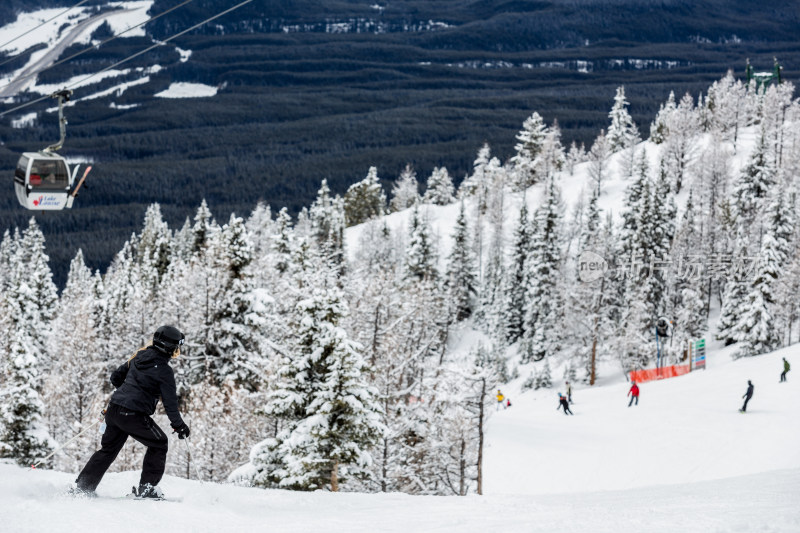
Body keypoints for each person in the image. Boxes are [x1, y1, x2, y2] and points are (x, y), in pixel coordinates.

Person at [73, 326, 190, 499]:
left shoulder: (138, 356)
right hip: (133, 415)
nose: (177, 351)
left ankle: (83, 488)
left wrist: (127, 393)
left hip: (114, 410)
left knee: (108, 450)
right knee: (159, 443)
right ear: (169, 347)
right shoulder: (164, 371)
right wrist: (179, 425)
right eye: (176, 347)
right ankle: (147, 489)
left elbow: (115, 378)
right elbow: (170, 403)